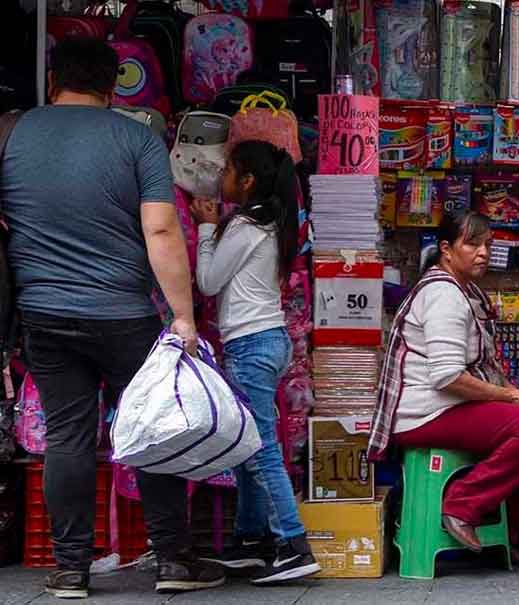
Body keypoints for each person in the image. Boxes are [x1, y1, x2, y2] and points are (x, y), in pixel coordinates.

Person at [1, 38, 222, 598]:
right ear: (110, 84)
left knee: (68, 437)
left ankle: (70, 567)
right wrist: (183, 316)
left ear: (54, 80)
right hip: (124, 314)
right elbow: (161, 231)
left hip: (44, 313)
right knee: (152, 430)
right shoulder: (136, 137)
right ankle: (172, 560)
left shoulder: (12, 133)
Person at [369, 211, 519, 562]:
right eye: (472, 244)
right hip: (424, 413)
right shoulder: (444, 296)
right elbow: (447, 377)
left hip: (448, 407)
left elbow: (480, 369)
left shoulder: (465, 292)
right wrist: (511, 395)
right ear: (446, 250)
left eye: (487, 245)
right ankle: (462, 505)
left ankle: (510, 529)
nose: (483, 253)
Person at [189, 140, 321, 584]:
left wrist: (206, 229)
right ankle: (252, 539)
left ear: (246, 181)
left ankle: (293, 544)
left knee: (261, 448)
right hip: (266, 342)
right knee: (249, 443)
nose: (221, 176)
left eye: (228, 169)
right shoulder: (271, 223)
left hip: (251, 345)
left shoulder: (245, 225)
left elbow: (208, 282)